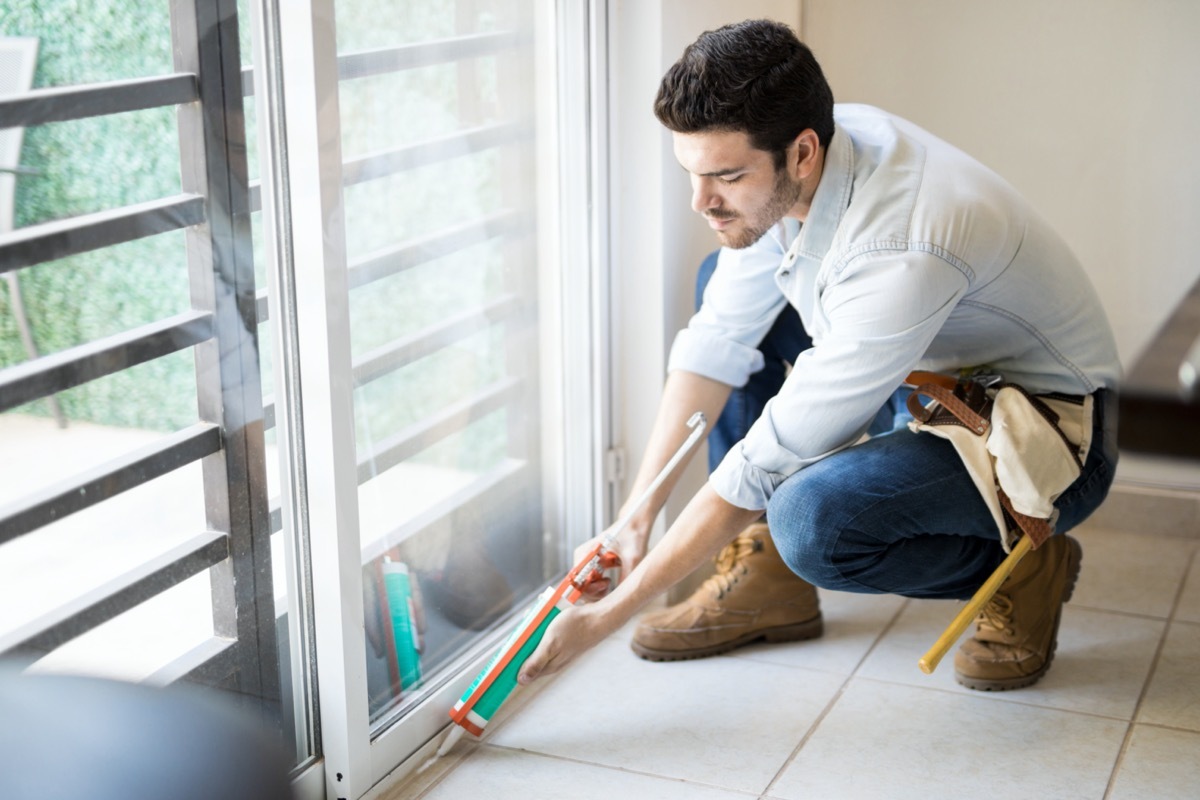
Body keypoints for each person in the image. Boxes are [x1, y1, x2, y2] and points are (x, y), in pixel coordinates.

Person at [518, 18, 1119, 692]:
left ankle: (1024, 563)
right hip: (927, 371)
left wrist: (604, 618)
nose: (701, 203)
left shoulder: (900, 246)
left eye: (725, 176)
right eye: (691, 173)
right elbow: (718, 342)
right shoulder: (821, 144)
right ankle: (764, 575)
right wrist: (634, 519)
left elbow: (764, 463)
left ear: (801, 153)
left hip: (1046, 430)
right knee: (718, 283)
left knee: (810, 521)